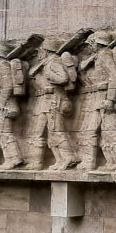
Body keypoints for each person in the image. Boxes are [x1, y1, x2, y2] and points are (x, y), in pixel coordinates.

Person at [77, 31, 116, 173]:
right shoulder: (97, 57)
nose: (89, 47)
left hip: (103, 97)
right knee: (98, 132)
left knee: (109, 131)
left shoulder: (105, 55)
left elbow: (113, 75)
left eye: (91, 44)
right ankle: (110, 162)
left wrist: (110, 99)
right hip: (96, 97)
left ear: (96, 43)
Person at [25, 37, 80, 171]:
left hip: (54, 101)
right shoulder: (46, 63)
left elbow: (63, 78)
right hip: (45, 101)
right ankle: (54, 160)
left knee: (57, 131)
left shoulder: (54, 61)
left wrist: (49, 76)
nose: (39, 54)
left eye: (41, 51)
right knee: (41, 131)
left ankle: (68, 157)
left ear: (46, 50)